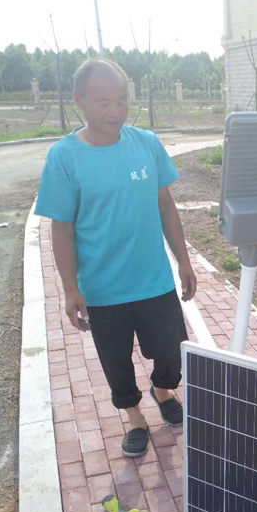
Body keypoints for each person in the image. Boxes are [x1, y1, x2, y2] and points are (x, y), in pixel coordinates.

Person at [36, 58, 197, 458]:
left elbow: (165, 205)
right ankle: (135, 418)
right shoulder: (64, 156)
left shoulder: (146, 144)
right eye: (103, 102)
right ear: (80, 101)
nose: (115, 111)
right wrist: (70, 288)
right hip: (102, 288)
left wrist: (183, 260)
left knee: (173, 352)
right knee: (116, 362)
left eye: (122, 100)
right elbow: (61, 228)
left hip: (154, 280)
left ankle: (163, 390)